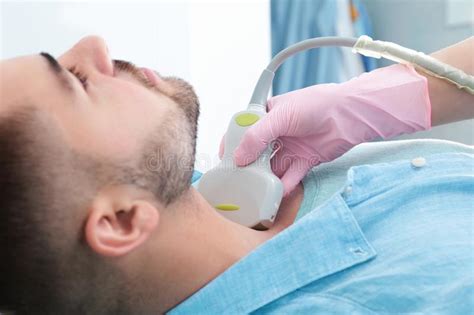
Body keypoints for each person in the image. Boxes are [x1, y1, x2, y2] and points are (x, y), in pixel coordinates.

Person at [0, 35, 472, 315]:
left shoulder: (199, 189)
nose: (95, 46)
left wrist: (410, 93)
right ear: (122, 221)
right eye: (77, 82)